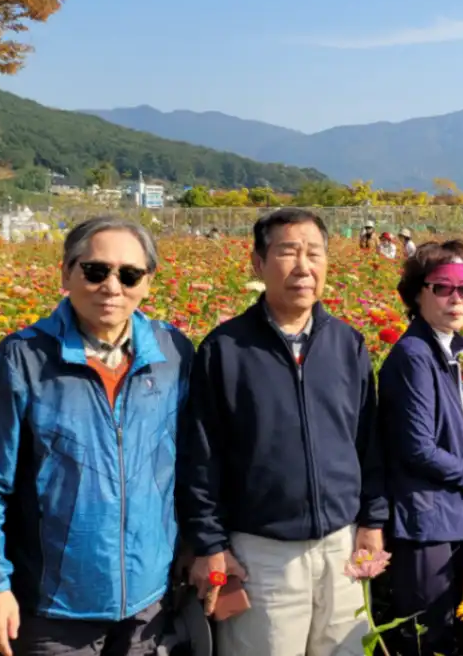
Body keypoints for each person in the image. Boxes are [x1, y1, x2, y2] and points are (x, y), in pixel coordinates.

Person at [0, 216, 192, 656]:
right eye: (95, 271)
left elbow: (191, 461)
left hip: (149, 603)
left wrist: (197, 546)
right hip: (54, 608)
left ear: (148, 282)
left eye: (130, 274)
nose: (112, 286)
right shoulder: (23, 359)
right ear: (66, 273)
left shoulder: (173, 353)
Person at [178, 208, 386, 656]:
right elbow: (200, 457)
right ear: (257, 263)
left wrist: (372, 521)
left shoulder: (348, 345)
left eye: (314, 253)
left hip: (340, 546)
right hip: (262, 554)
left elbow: (368, 444)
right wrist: (210, 544)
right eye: (288, 252)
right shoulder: (225, 350)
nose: (303, 267)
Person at [379, 240, 463, 656]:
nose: (457, 298)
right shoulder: (416, 355)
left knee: (445, 629)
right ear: (417, 294)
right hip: (425, 521)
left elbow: (440, 431)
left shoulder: (443, 351)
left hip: (444, 515)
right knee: (427, 636)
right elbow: (417, 448)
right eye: (442, 287)